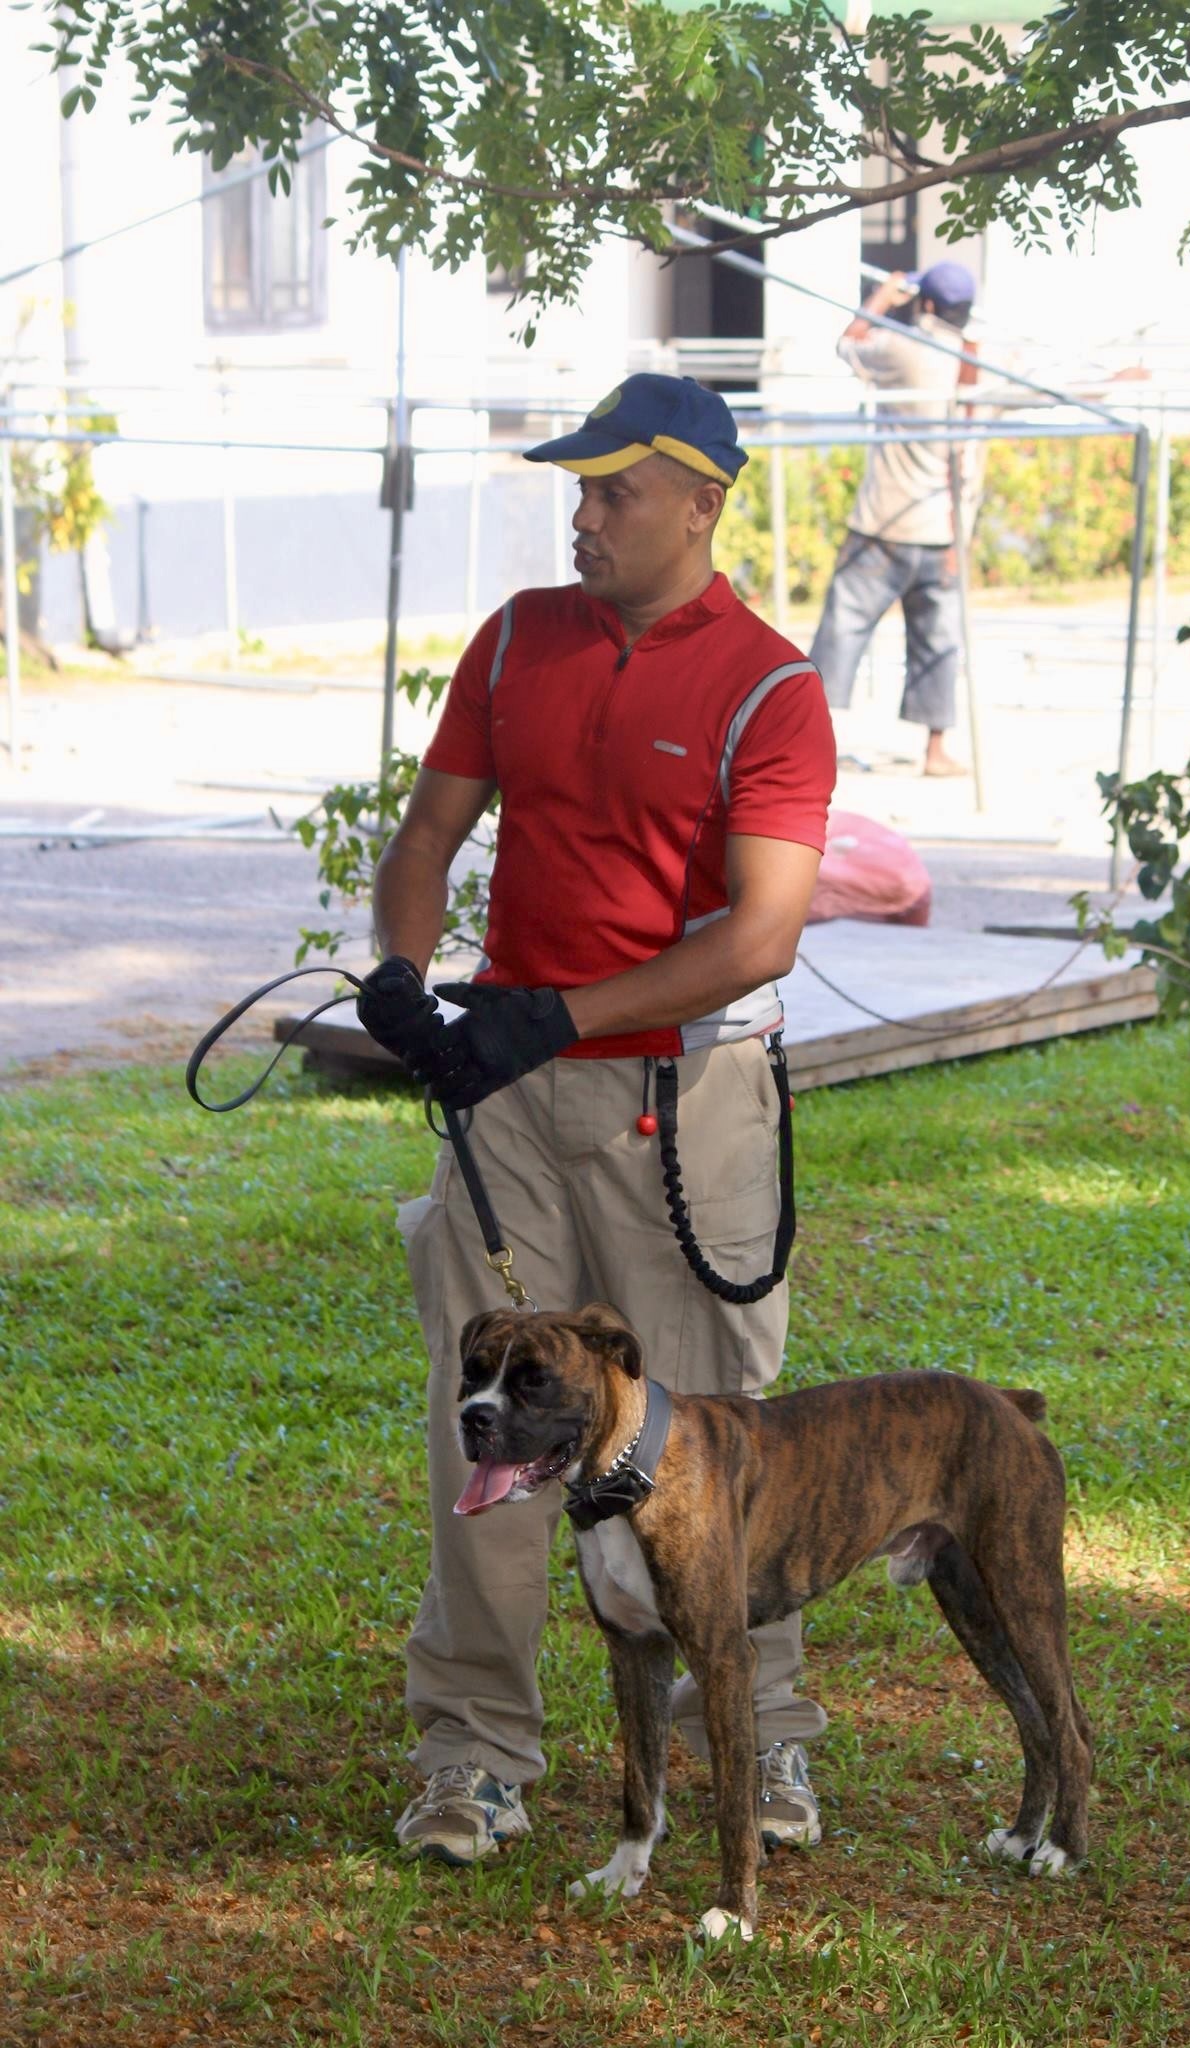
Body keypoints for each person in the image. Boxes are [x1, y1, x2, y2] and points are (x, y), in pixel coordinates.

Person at [354, 372, 837, 1868]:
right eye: (577, 488)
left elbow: (761, 933)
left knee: (711, 1448)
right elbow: (429, 833)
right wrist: (397, 971)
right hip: (503, 1098)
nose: (584, 514)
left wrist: (565, 1010)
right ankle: (476, 1759)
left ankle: (761, 1750)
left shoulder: (770, 687)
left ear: (701, 502)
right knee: (488, 1428)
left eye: (614, 490)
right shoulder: (516, 638)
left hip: (683, 1107)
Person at [809, 258, 978, 776]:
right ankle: (935, 750)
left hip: (883, 523)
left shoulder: (903, 350)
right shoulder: (974, 361)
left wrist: (883, 298)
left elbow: (847, 343)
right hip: (943, 531)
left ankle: (808, 739)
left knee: (842, 630)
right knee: (938, 641)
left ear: (925, 303)